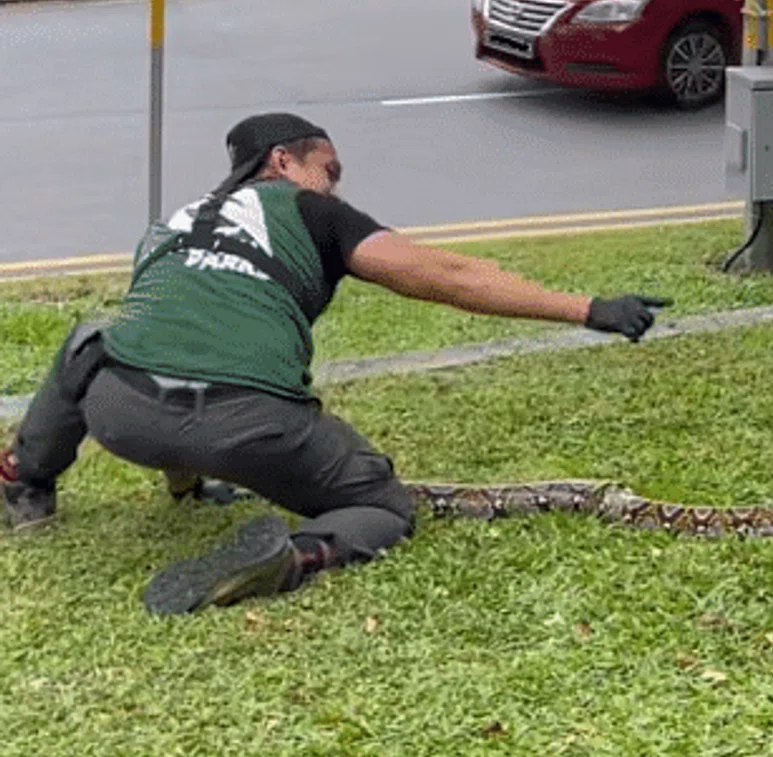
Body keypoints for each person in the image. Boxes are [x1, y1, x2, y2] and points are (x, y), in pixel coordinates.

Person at [1, 113, 671, 615]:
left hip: (120, 415)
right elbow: (445, 275)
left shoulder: (170, 226)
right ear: (283, 161)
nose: (335, 186)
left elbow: (173, 342)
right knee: (382, 504)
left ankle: (25, 480)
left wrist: (184, 479)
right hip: (250, 425)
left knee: (95, 336)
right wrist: (588, 308)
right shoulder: (311, 212)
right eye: (329, 170)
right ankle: (295, 558)